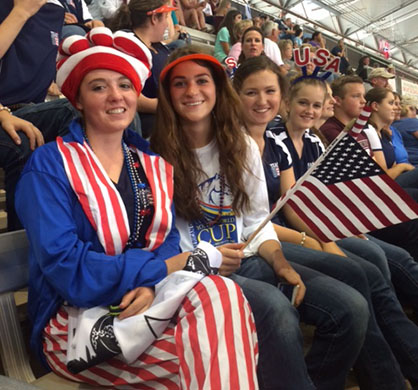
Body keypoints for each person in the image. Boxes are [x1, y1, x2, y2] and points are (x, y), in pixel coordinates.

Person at [15, 28, 258, 389]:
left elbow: (166, 243)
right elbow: (66, 266)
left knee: (224, 294)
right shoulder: (49, 166)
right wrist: (156, 270)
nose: (116, 96)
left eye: (125, 85)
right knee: (222, 352)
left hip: (148, 305)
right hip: (77, 323)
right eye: (99, 87)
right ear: (78, 100)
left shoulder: (148, 162)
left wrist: (150, 283)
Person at [151, 46, 370, 390]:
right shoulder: (154, 153)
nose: (192, 91)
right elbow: (158, 238)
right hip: (198, 273)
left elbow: (255, 220)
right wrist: (201, 261)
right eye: (180, 83)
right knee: (277, 311)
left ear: (218, 89)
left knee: (350, 309)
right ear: (167, 94)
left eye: (202, 81)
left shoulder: (240, 145)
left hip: (249, 258)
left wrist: (281, 262)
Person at [264, 71, 418, 390]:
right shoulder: (276, 138)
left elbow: (320, 196)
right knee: (364, 271)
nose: (309, 110)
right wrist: (325, 238)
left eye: (315, 104)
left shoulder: (309, 139)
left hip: (316, 225)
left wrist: (343, 226)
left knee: (382, 262)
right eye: (303, 102)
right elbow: (291, 206)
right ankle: (388, 373)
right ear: (288, 104)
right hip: (288, 232)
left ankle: (397, 363)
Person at [110, 0, 177, 138]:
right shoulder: (126, 42)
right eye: (165, 18)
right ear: (154, 19)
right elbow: (125, 93)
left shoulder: (159, 47)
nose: (166, 25)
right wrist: (170, 107)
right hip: (145, 120)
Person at [393, 96, 418, 167]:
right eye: (416, 110)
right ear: (411, 108)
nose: (416, 114)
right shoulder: (413, 122)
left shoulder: (392, 125)